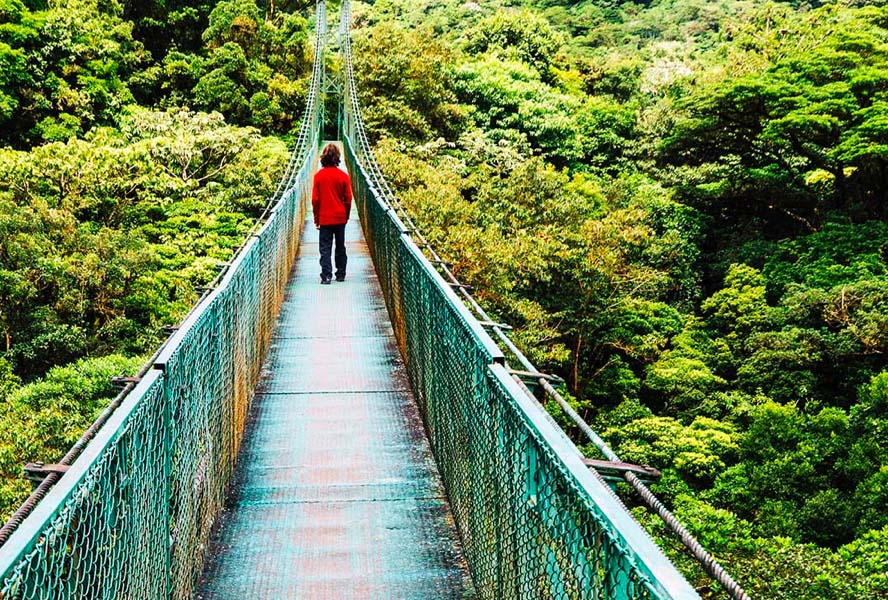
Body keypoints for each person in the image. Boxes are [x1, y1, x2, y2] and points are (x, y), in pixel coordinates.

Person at [312, 143, 353, 284]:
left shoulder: (318, 176)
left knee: (325, 247)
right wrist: (346, 215)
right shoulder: (343, 176)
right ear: (337, 157)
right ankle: (340, 274)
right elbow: (348, 199)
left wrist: (316, 218)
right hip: (340, 217)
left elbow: (315, 200)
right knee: (340, 246)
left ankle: (327, 275)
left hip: (325, 218)